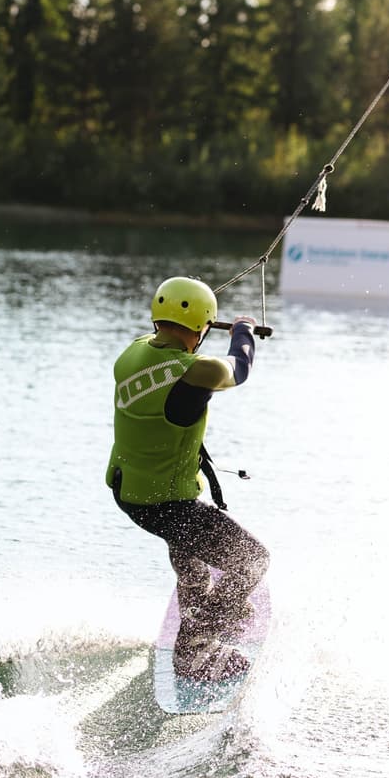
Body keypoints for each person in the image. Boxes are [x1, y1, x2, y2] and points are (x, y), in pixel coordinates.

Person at [105, 275, 269, 682]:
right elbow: (239, 366)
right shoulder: (200, 371)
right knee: (252, 561)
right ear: (202, 328)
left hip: (129, 492)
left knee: (191, 548)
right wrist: (243, 330)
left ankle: (203, 602)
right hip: (167, 502)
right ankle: (195, 650)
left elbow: (166, 346)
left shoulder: (131, 354)